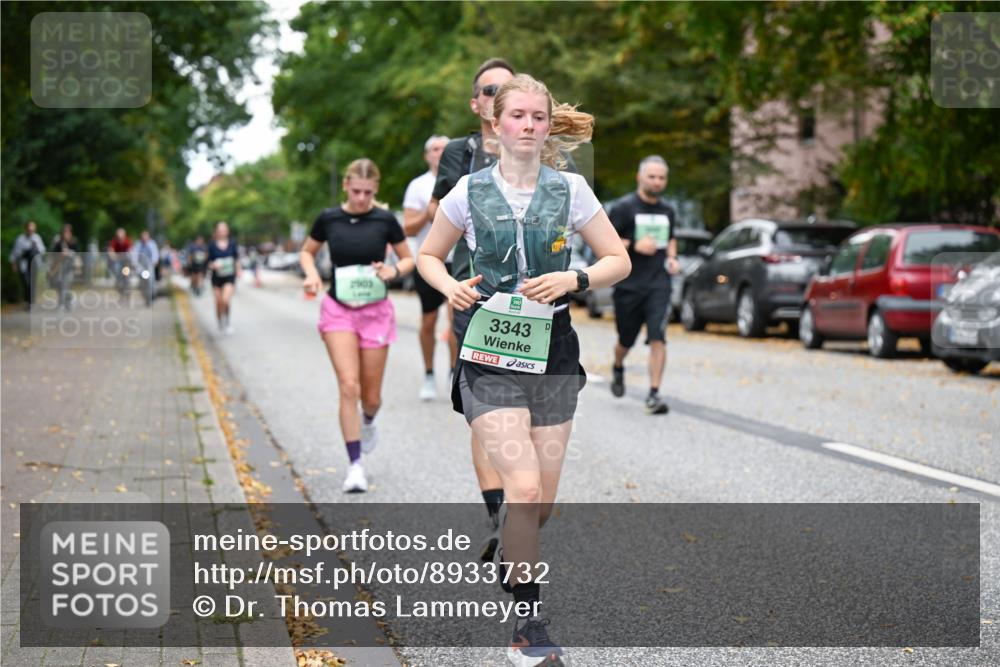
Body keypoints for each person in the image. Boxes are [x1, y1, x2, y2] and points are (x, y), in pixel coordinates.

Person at [418, 74, 630, 667]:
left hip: (554, 347)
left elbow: (619, 258)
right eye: (519, 116)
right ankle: (527, 628)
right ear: (497, 122)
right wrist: (450, 286)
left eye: (539, 117)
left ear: (548, 124)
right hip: (488, 348)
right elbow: (428, 255)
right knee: (525, 485)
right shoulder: (467, 189)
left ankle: (515, 547)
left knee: (539, 505)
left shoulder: (572, 190)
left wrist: (576, 277)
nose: (529, 126)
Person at [427, 57, 516, 555]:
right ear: (476, 102)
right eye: (488, 89)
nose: (495, 97)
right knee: (486, 409)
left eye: (506, 89)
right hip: (475, 292)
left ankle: (519, 499)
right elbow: (444, 219)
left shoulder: (538, 149)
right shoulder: (460, 153)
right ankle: (498, 516)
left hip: (531, 302)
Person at [300, 158, 414, 494]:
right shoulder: (329, 218)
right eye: (356, 191)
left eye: (368, 192)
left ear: (375, 189)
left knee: (372, 397)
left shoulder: (384, 220)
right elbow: (308, 252)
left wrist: (393, 271)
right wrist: (310, 275)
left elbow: (408, 258)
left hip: (376, 311)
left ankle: (368, 421)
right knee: (349, 387)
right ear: (346, 186)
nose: (362, 198)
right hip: (338, 310)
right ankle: (354, 466)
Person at [608, 155, 680, 415]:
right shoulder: (623, 208)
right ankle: (618, 366)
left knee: (658, 337)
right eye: (652, 176)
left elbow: (671, 238)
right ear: (640, 177)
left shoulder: (668, 210)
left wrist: (672, 258)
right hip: (628, 285)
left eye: (661, 178)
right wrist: (634, 245)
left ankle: (654, 393)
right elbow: (606, 243)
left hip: (658, 284)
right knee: (626, 340)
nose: (657, 182)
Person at [403, 134, 453, 400]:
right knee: (429, 320)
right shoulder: (417, 186)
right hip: (429, 259)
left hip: (458, 259)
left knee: (458, 318)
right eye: (435, 149)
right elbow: (408, 228)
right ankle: (429, 373)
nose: (440, 152)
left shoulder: (463, 180)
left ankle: (455, 372)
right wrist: (431, 207)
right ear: (427, 155)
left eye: (445, 148)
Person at [208, 222, 240, 334]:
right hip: (216, 277)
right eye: (220, 230)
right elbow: (208, 262)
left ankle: (227, 321)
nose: (222, 232)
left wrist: (239, 271)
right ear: (217, 231)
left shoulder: (232, 243)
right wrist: (213, 265)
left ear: (227, 231)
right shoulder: (212, 245)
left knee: (225, 300)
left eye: (224, 229)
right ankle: (219, 321)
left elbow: (236, 258)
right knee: (218, 302)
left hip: (229, 276)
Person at [9, 221, 46, 308]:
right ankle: (28, 300)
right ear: (26, 229)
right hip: (24, 265)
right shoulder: (20, 239)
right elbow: (15, 253)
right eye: (29, 229)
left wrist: (36, 247)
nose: (30, 231)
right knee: (26, 283)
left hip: (34, 264)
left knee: (33, 283)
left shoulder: (37, 238)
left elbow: (42, 250)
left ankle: (31, 301)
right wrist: (13, 264)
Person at [51, 224, 78, 310]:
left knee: (67, 285)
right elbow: (53, 255)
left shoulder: (73, 243)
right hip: (59, 268)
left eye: (68, 232)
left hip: (70, 268)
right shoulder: (58, 244)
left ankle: (64, 303)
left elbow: (76, 254)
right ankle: (64, 301)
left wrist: (68, 253)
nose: (66, 234)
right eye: (65, 232)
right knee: (60, 285)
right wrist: (60, 255)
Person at [107, 227, 132, 293]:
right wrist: (113, 256)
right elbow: (111, 250)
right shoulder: (114, 241)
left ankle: (127, 287)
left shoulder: (127, 241)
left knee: (127, 274)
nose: (119, 238)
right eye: (118, 236)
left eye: (121, 236)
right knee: (116, 271)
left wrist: (126, 255)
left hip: (126, 262)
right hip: (118, 261)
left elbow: (130, 251)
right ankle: (119, 283)